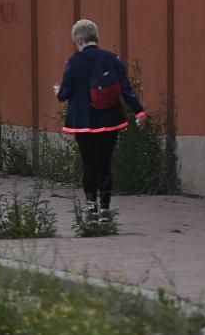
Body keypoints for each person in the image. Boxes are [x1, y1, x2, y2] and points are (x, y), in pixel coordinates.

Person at [55, 18, 146, 222]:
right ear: (95, 37)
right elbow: (126, 89)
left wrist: (58, 92)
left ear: (79, 39)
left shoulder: (74, 62)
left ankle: (91, 209)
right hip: (110, 118)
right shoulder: (113, 59)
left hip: (84, 121)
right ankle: (105, 209)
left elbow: (64, 94)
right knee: (105, 163)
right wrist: (139, 112)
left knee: (89, 164)